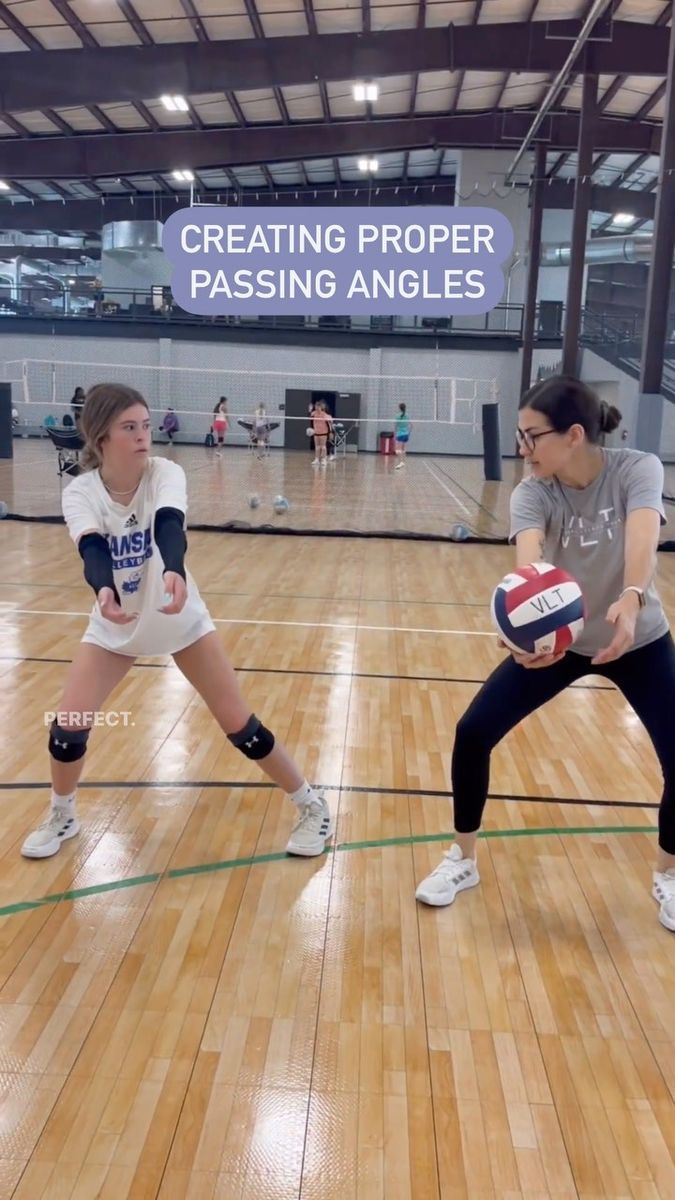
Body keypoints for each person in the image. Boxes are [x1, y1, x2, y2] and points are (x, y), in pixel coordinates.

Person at [21, 383, 332, 862]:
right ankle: (63, 814)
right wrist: (103, 589)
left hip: (179, 618)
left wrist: (171, 569)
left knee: (241, 727)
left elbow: (168, 524)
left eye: (145, 425)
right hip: (115, 625)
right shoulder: (81, 491)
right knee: (68, 729)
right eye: (130, 427)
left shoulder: (165, 472)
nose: (143, 435)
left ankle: (312, 805)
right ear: (101, 436)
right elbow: (92, 549)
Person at [415, 375, 675, 934]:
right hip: (562, 643)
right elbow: (529, 567)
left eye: (532, 436)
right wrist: (520, 634)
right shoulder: (532, 492)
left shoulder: (637, 469)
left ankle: (668, 874)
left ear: (574, 434)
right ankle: (462, 859)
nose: (522, 448)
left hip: (639, 637)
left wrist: (631, 599)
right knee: (473, 731)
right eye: (519, 435)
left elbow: (641, 538)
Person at [310, 400, 332, 467]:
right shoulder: (313, 414)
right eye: (316, 406)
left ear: (321, 407)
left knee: (323, 446)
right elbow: (309, 417)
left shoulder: (325, 415)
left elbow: (329, 423)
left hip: (323, 433)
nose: (317, 408)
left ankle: (323, 459)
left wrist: (330, 432)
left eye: (318, 407)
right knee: (317, 446)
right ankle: (316, 459)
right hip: (316, 432)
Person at [394, 402, 411, 468]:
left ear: (399, 408)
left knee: (397, 450)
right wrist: (408, 433)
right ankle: (403, 462)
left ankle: (400, 462)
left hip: (400, 434)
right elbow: (412, 425)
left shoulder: (397, 416)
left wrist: (395, 434)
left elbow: (395, 426)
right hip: (406, 434)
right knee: (403, 449)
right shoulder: (407, 416)